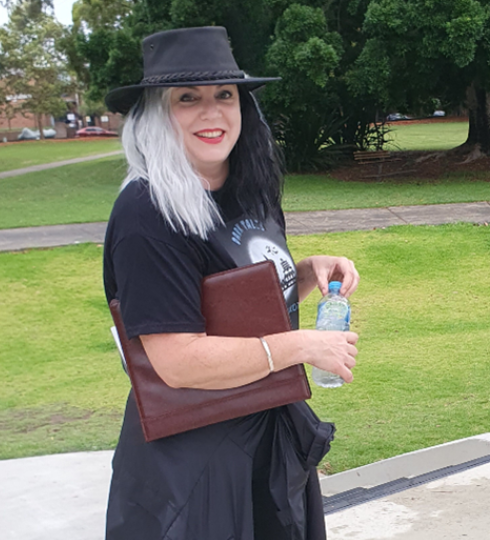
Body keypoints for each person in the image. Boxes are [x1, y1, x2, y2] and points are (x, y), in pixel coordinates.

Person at [103, 26, 359, 540]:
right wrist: (302, 344)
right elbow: (176, 360)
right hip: (196, 462)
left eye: (225, 94)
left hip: (267, 437)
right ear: (156, 113)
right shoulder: (147, 212)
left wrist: (306, 271)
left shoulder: (249, 190)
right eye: (187, 98)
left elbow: (240, 303)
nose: (212, 112)